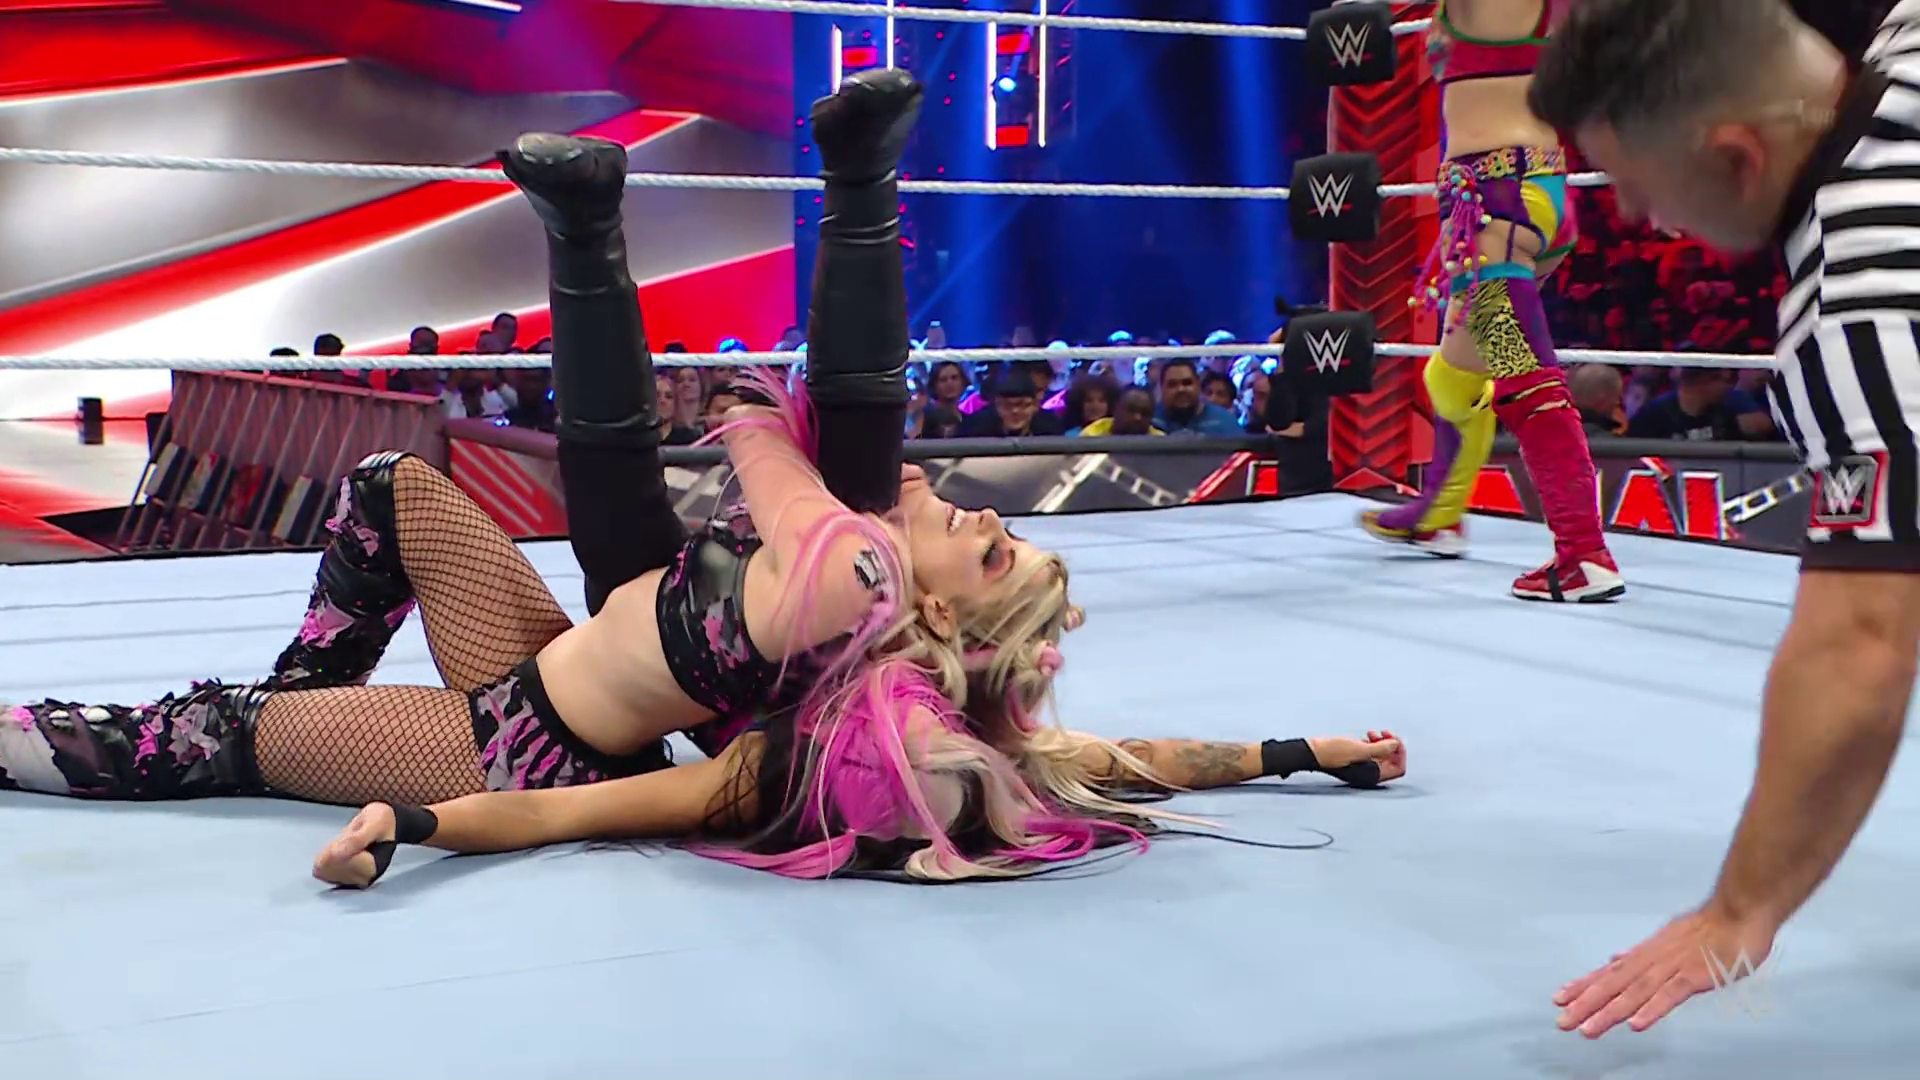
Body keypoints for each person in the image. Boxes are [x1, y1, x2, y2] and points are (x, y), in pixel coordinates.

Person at [0, 72, 1406, 888]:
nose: (984, 514)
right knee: (385, 482)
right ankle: (808, 198)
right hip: (577, 635)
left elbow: (576, 805)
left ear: (937, 614)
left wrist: (412, 824)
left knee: (214, 738)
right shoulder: (867, 585)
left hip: (514, 744)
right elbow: (1117, 754)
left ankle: (114, 730)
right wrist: (1296, 753)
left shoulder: (846, 598)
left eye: (991, 551)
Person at [1528, 0, 1920, 1036]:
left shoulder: (1859, 307)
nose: (1638, 217)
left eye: (1638, 185)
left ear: (1737, 156)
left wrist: (1739, 910)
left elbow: (1861, 644)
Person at [1360, 0, 1625, 602]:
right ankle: (1440, 517)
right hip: (1518, 201)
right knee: (1454, 372)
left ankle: (1584, 554)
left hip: (1499, 210)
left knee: (1523, 377)